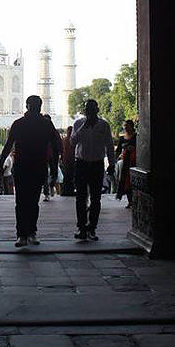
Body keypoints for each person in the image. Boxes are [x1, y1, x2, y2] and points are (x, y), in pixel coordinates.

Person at [0, 95, 62, 247]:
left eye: (36, 105)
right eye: (32, 105)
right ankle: (22, 234)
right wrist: (0, 163)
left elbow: (54, 147)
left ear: (39, 106)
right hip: (23, 166)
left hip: (36, 166)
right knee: (22, 202)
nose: (34, 108)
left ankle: (30, 233)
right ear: (27, 106)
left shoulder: (45, 125)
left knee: (31, 202)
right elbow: (8, 145)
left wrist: (53, 170)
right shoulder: (20, 124)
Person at [71, 99, 116, 241]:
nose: (90, 112)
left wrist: (112, 164)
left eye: (92, 109)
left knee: (96, 198)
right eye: (87, 109)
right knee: (80, 197)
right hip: (82, 164)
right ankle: (82, 227)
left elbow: (109, 146)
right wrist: (84, 126)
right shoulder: (79, 124)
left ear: (97, 110)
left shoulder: (104, 125)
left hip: (97, 164)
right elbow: (72, 141)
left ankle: (92, 227)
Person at [115, 119, 136, 208]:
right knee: (125, 181)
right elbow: (118, 150)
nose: (126, 127)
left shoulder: (136, 137)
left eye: (127, 126)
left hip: (135, 161)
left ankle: (134, 200)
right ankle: (130, 201)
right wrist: (114, 160)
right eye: (125, 126)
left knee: (132, 182)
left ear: (132, 126)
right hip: (126, 162)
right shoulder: (122, 138)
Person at [60, 126, 75, 196]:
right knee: (69, 176)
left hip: (66, 161)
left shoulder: (64, 140)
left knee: (66, 177)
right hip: (70, 161)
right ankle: (69, 190)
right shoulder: (71, 140)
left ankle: (65, 191)